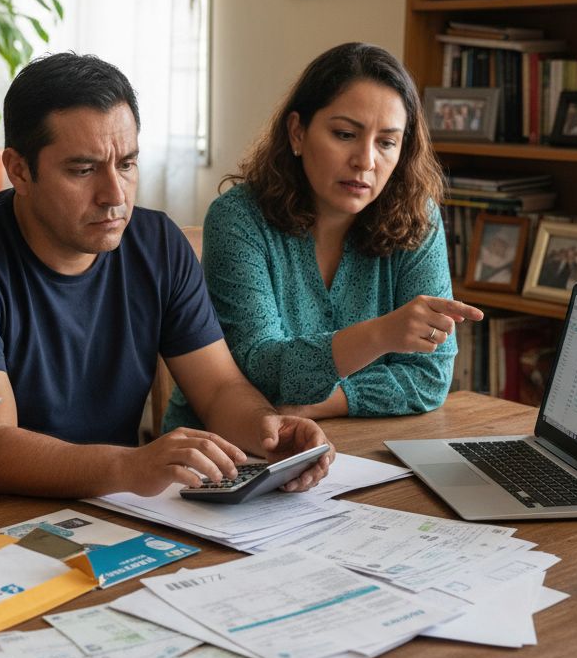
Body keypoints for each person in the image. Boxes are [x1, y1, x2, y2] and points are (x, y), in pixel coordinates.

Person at [0, 53, 333, 499]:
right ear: (19, 170)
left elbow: (219, 388)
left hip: (120, 505)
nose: (114, 195)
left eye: (127, 164)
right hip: (2, 514)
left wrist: (269, 429)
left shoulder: (158, 243)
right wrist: (130, 465)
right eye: (83, 170)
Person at [164, 44, 484, 428]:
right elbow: (258, 367)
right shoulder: (238, 219)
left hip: (350, 444)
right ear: (297, 132)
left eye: (386, 142)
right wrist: (380, 335)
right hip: (224, 446)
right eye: (345, 134)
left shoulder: (418, 218)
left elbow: (430, 377)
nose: (365, 161)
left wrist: (322, 404)